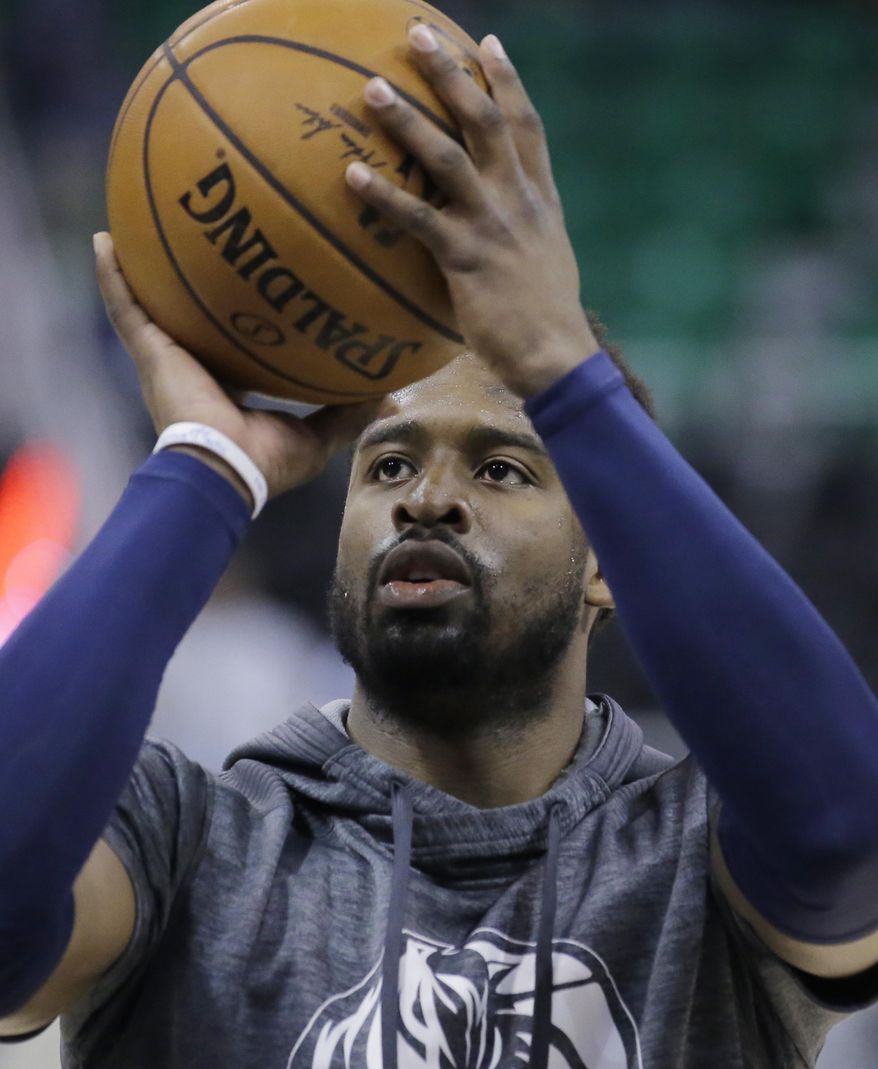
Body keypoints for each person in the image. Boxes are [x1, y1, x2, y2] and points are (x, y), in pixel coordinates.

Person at [2, 24, 877, 1069]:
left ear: (613, 562)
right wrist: (204, 466)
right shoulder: (185, 839)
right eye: (384, 466)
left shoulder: (703, 852)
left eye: (500, 467)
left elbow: (846, 833)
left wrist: (562, 370)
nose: (427, 500)